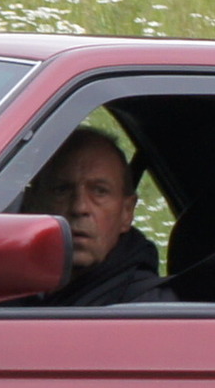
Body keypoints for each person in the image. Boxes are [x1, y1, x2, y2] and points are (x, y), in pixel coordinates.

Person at [18, 127, 167, 306]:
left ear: (127, 212)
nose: (79, 207)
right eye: (62, 189)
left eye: (100, 191)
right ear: (31, 203)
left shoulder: (147, 311)